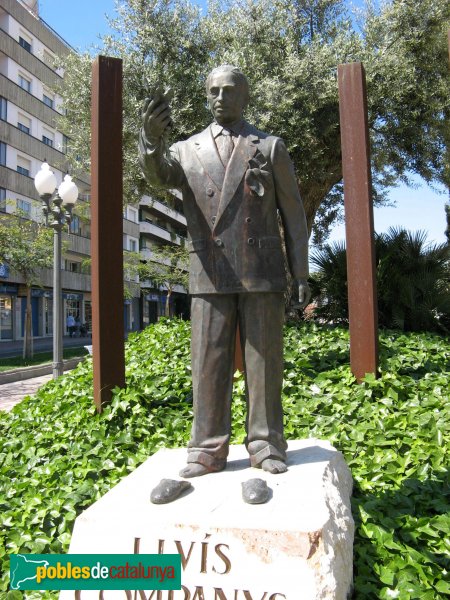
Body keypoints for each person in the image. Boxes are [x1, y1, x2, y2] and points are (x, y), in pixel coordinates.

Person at [139, 65, 310, 478]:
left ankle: (266, 443)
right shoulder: (185, 149)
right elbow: (160, 176)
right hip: (209, 270)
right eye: (213, 90)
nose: (220, 97)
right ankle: (206, 448)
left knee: (263, 362)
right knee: (208, 363)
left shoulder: (269, 147)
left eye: (229, 90)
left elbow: (294, 214)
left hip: (262, 269)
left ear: (244, 96)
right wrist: (149, 140)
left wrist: (300, 272)